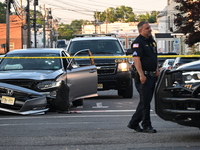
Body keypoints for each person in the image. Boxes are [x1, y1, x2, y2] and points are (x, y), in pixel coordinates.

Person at [127, 21, 159, 133]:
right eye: (147, 28)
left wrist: (156, 69)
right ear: (140, 30)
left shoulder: (151, 42)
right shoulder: (138, 42)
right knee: (145, 102)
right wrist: (141, 75)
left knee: (145, 101)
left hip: (151, 75)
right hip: (143, 76)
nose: (150, 29)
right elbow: (136, 60)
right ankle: (146, 125)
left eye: (149, 27)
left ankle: (134, 123)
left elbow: (154, 57)